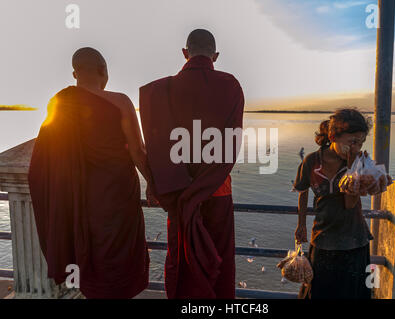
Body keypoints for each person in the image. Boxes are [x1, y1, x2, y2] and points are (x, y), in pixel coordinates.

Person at [28, 47, 150, 299]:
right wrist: (157, 187)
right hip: (119, 203)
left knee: (92, 263)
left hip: (82, 204)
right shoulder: (120, 102)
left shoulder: (60, 104)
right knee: (120, 269)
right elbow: (138, 152)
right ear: (103, 70)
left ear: (75, 73)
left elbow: (45, 163)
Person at [139, 29, 244, 299]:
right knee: (219, 259)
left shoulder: (159, 91)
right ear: (215, 55)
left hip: (177, 194)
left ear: (185, 53)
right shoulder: (230, 85)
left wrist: (154, 182)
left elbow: (155, 144)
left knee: (183, 260)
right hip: (217, 190)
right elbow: (231, 144)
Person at [293, 108, 392, 299]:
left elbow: (349, 203)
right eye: (352, 142)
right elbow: (303, 191)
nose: (356, 147)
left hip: (353, 241)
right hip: (322, 238)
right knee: (318, 292)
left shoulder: (359, 164)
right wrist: (300, 225)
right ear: (333, 136)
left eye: (361, 142)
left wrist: (352, 167)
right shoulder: (312, 161)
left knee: (351, 294)